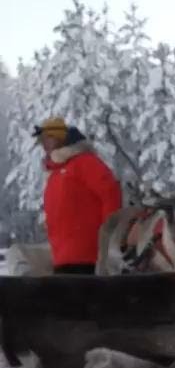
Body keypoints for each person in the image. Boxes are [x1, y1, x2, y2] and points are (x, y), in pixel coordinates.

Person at [32, 117, 122, 275]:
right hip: (62, 257)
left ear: (59, 137)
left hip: (87, 256)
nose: (43, 145)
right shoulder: (56, 173)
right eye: (41, 141)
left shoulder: (85, 162)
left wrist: (108, 236)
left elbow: (110, 194)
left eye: (47, 138)